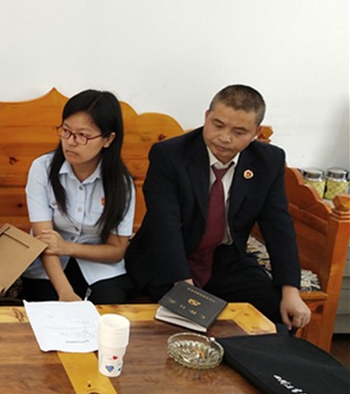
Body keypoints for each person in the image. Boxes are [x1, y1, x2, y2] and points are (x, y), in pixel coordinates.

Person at [125, 84, 311, 330]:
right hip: (168, 260)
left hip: (225, 259)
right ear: (206, 117)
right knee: (187, 322)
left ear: (256, 133)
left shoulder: (268, 161)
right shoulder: (169, 155)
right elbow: (165, 225)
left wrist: (291, 289)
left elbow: (278, 225)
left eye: (239, 131)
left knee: (279, 311)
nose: (225, 137)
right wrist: (183, 284)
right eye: (218, 125)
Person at [21, 89, 136, 304]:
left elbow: (117, 250)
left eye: (83, 135)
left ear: (108, 139)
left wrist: (67, 247)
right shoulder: (42, 169)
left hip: (99, 266)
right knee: (48, 310)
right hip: (49, 264)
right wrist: (65, 293)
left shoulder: (120, 183)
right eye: (66, 131)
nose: (71, 142)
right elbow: (45, 241)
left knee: (109, 308)